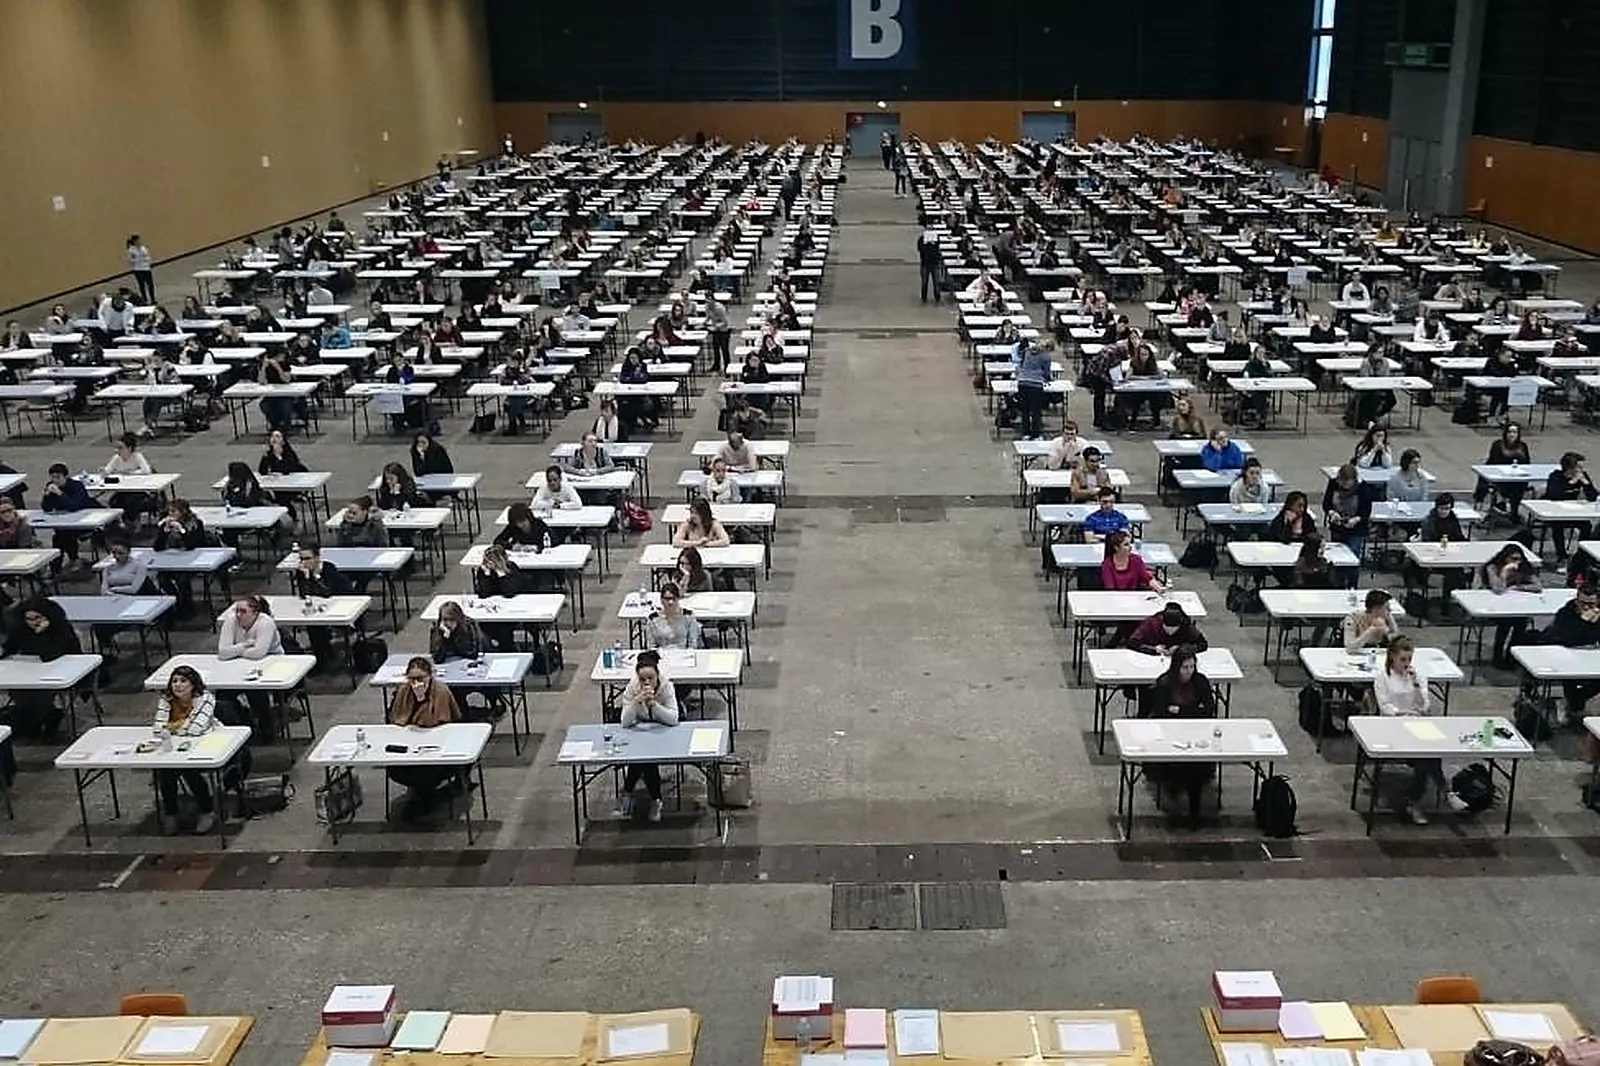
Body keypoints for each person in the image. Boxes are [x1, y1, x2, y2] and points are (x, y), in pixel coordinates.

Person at [1374, 636, 1471, 825]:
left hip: (1417, 724)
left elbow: (1424, 705)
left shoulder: (1416, 675)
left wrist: (1417, 686)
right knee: (1426, 755)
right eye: (1402, 659)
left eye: (1409, 659)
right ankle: (1442, 793)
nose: (1406, 663)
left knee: (1430, 751)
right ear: (1392, 657)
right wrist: (1403, 712)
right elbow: (1385, 706)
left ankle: (1417, 800)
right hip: (1393, 726)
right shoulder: (1382, 677)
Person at [1136, 648, 1220, 824]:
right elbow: (1161, 712)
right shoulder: (1164, 683)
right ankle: (1176, 787)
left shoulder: (1200, 681)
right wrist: (1194, 711)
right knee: (1180, 764)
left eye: (1192, 667)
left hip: (1196, 731)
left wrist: (1181, 710)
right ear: (1176, 667)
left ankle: (1194, 808)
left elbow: (1208, 710)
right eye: (1185, 667)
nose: (1189, 671)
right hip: (1169, 733)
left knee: (1197, 765)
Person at [386, 657, 464, 819]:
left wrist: (421, 698)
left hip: (438, 745)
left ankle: (425, 798)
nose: (416, 683)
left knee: (426, 772)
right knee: (395, 769)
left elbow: (431, 722)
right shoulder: (403, 691)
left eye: (421, 678)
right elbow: (396, 719)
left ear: (430, 676)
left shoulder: (441, 692)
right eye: (412, 679)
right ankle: (420, 794)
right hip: (410, 744)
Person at [151, 665, 218, 835]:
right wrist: (180, 726)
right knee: (166, 772)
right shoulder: (166, 699)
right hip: (175, 747)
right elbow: (158, 729)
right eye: (174, 681)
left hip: (204, 744)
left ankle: (207, 811)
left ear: (193, 684)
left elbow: (196, 729)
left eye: (183, 681)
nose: (178, 685)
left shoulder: (205, 698)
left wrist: (172, 727)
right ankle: (171, 814)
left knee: (190, 770)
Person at [1, 598, 79, 737]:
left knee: (40, 692)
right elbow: (10, 647)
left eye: (37, 618)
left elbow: (49, 655)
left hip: (61, 670)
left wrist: (41, 633)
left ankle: (42, 718)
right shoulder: (21, 629)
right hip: (31, 671)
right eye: (29, 619)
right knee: (21, 690)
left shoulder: (61, 629)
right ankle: (37, 719)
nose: (33, 622)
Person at [617, 649, 680, 823]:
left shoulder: (667, 687)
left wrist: (654, 706)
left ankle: (628, 792)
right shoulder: (632, 688)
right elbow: (624, 721)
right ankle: (655, 799)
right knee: (644, 759)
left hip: (664, 732)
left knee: (644, 759)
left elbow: (673, 719)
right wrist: (637, 702)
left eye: (650, 678)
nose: (646, 682)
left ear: (657, 675)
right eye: (642, 679)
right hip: (640, 734)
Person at [1478, 542, 1541, 668]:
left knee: (1521, 621)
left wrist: (1519, 587)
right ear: (1505, 558)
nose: (1516, 562)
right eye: (1513, 558)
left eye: (1519, 559)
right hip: (1495, 607)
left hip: (1517, 605)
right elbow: (1498, 589)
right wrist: (1504, 573)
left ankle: (1511, 655)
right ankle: (1497, 656)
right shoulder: (1493, 567)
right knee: (1506, 622)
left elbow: (1538, 586)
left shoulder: (1523, 567)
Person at [289, 542, 349, 665]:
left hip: (341, 606)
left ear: (317, 558)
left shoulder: (329, 569)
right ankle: (322, 659)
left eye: (307, 558)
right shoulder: (302, 572)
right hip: (320, 609)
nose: (304, 562)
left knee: (317, 627)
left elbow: (327, 593)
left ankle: (327, 658)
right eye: (301, 559)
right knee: (313, 625)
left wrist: (316, 577)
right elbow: (305, 595)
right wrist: (306, 578)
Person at [1547, 585, 1600, 723]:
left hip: (1592, 656)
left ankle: (1570, 702)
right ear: (1577, 600)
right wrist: (1583, 621)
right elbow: (1567, 639)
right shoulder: (1565, 613)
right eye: (1583, 603)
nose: (1587, 607)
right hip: (1566, 655)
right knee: (1570, 676)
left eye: (1591, 604)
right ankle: (1572, 703)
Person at [1544, 451, 1597, 566]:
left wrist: (1585, 482)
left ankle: (1581, 555)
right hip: (1554, 513)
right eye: (1577, 466)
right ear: (1569, 468)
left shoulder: (1582, 476)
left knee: (1586, 525)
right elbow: (1554, 495)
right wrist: (1572, 482)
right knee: (1557, 526)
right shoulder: (1555, 477)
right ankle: (1561, 557)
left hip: (1572, 512)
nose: (1580, 469)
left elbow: (1593, 497)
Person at [40, 463, 95, 572]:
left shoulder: (76, 486)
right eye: (52, 477)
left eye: (58, 477)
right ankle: (60, 566)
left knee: (62, 535)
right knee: (60, 535)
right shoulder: (51, 486)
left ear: (66, 476)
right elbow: (46, 508)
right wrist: (46, 495)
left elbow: (74, 506)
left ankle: (66, 563)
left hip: (85, 520)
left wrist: (60, 493)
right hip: (65, 521)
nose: (55, 480)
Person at [1473, 422, 1532, 513]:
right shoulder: (1498, 445)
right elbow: (1495, 463)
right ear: (1505, 433)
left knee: (1520, 487)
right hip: (1500, 478)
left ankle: (1514, 511)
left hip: (1518, 477)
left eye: (1515, 432)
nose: (1512, 435)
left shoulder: (1523, 446)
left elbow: (1527, 463)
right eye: (1509, 432)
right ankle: (1503, 506)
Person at [1322, 464, 1371, 575]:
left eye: (1347, 482)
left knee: (1352, 559)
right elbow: (1326, 503)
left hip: (1356, 530)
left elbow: (1366, 511)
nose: (1344, 485)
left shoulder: (1363, 488)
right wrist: (1332, 512)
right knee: (1336, 558)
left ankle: (1351, 581)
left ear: (1354, 480)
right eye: (1342, 482)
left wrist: (1356, 519)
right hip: (1337, 527)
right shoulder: (1333, 484)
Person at [1125, 602, 1208, 655]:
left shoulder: (1187, 626)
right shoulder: (1152, 623)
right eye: (1167, 628)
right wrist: (1153, 649)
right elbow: (1132, 642)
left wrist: (1181, 649)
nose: (1170, 632)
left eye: (1174, 629)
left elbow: (1202, 644)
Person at [1014, 338, 1054, 440]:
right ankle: (1036, 434)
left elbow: (1021, 364)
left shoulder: (1027, 351)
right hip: (1036, 384)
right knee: (1036, 411)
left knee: (1025, 410)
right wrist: (1048, 379)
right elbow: (1046, 372)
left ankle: (1026, 433)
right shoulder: (1046, 356)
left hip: (1022, 382)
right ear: (1048, 348)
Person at [1101, 530, 1163, 594]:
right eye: (1126, 545)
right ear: (1116, 547)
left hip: (1134, 596)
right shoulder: (1108, 564)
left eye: (1130, 544)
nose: (1130, 547)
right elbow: (1110, 589)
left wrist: (1158, 588)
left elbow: (1147, 578)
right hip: (1115, 597)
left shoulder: (1136, 560)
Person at [646, 581, 702, 650]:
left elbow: (692, 643)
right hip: (662, 654)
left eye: (674, 598)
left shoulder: (688, 616)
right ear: (661, 600)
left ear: (678, 599)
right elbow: (651, 646)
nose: (670, 602)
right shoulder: (653, 619)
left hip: (683, 653)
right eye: (667, 599)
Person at [126, 235, 154, 303]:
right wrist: (138, 259)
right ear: (133, 241)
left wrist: (148, 262)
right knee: (142, 285)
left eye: (138, 240)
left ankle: (153, 299)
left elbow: (148, 256)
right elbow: (130, 260)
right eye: (136, 240)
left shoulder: (143, 248)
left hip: (146, 268)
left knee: (150, 284)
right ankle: (144, 299)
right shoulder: (131, 250)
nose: (138, 242)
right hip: (138, 269)